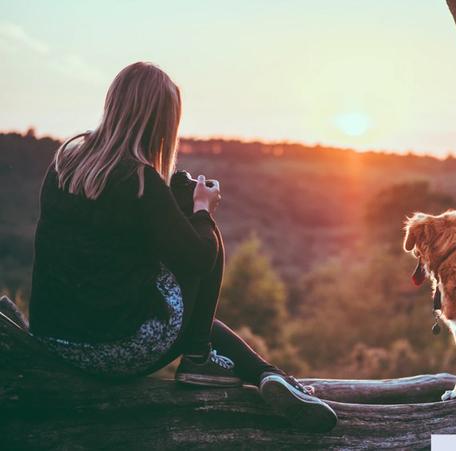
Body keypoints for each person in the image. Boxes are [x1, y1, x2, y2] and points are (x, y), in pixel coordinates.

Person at [28, 62, 337, 433]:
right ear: (161, 122)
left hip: (52, 340)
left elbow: (114, 227)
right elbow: (196, 259)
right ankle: (203, 360)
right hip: (116, 352)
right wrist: (202, 210)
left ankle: (267, 375)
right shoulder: (140, 178)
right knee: (208, 242)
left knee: (200, 325)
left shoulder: (64, 163)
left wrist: (171, 198)